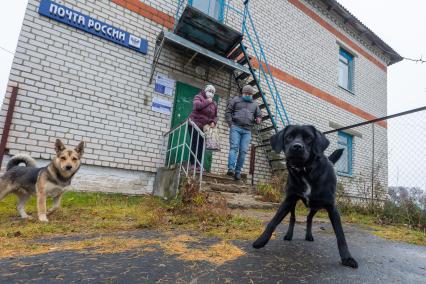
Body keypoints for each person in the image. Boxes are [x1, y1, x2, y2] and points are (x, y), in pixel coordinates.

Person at [225, 85, 262, 180]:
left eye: (250, 94)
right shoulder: (235, 100)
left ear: (252, 95)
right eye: (246, 93)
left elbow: (259, 116)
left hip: (247, 130)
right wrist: (231, 124)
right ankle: (231, 169)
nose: (248, 95)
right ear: (242, 93)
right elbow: (228, 112)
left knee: (243, 151)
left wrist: (258, 119)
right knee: (234, 147)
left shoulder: (255, 104)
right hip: (236, 127)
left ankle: (238, 172)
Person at [188, 84, 218, 170]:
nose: (211, 93)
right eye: (209, 91)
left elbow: (215, 116)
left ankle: (199, 164)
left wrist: (213, 122)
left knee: (201, 145)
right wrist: (208, 101)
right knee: (195, 144)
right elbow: (197, 106)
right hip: (194, 124)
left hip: (204, 127)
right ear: (205, 90)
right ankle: (193, 164)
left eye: (213, 92)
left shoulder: (214, 103)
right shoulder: (199, 97)